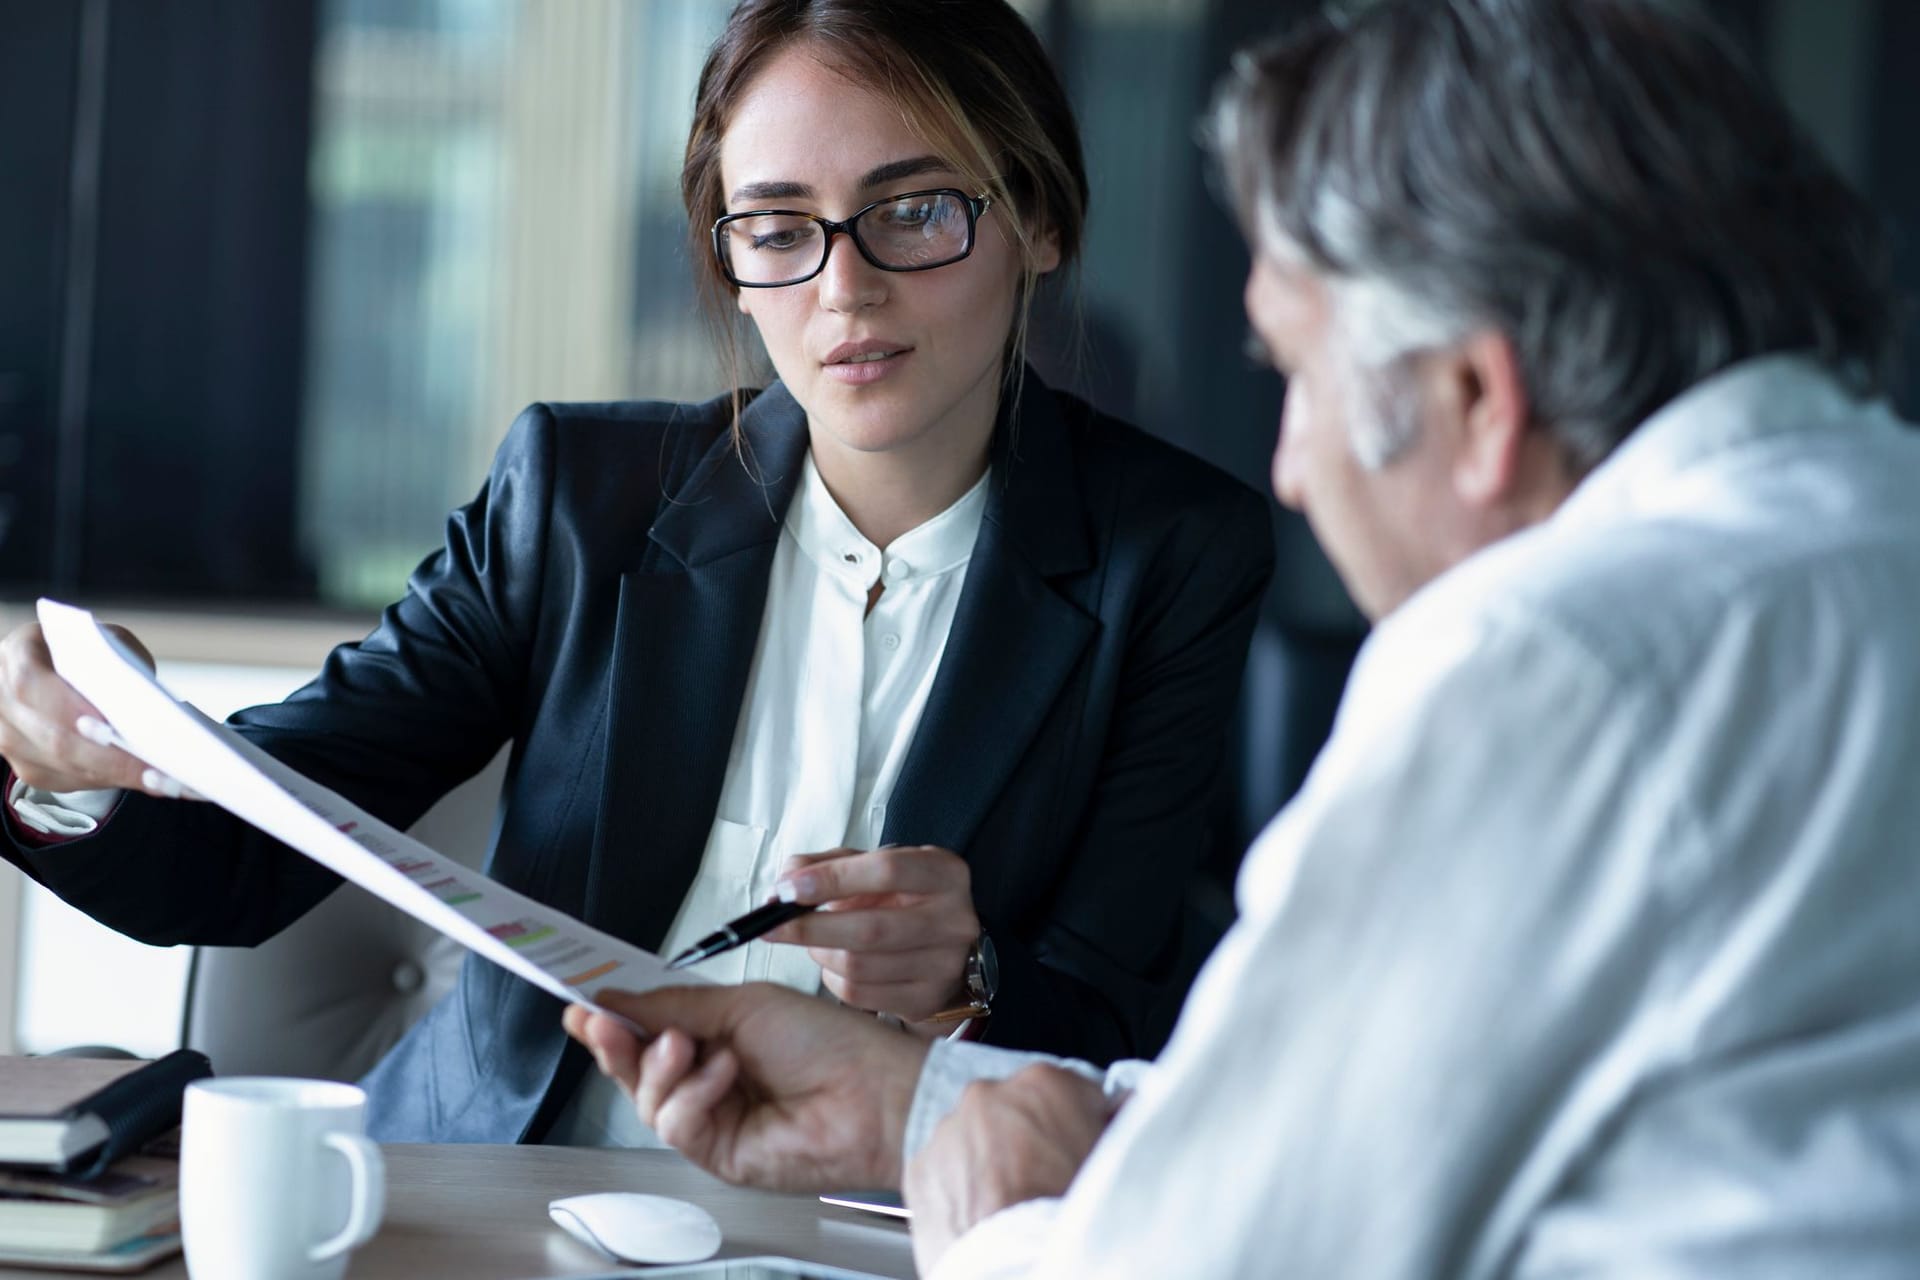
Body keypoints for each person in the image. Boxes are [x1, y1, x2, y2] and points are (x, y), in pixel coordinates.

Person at [563, 0, 1920, 1274]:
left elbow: (1221, 1257)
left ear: (1473, 396)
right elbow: (1369, 1112)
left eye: (1299, 375)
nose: (1291, 466)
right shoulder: (1869, 541)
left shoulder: (1554, 660)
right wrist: (919, 1105)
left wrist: (985, 1220)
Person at [0, 0, 1274, 1145]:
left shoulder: (1172, 553)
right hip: (491, 1197)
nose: (846, 287)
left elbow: (1125, 1016)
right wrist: (72, 771)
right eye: (779, 228)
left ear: (1038, 219)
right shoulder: (573, 497)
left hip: (881, 1230)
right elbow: (253, 847)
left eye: (915, 211)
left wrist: (971, 977)